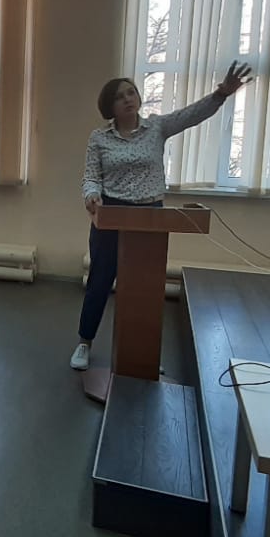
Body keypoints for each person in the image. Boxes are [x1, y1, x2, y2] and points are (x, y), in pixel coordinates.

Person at [70, 63, 256, 371]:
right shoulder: (99, 138)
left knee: (145, 286)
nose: (128, 99)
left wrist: (221, 94)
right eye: (120, 96)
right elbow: (91, 176)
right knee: (100, 281)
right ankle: (84, 342)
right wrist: (91, 195)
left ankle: (141, 352)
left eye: (131, 93)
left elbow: (190, 115)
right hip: (112, 214)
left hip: (150, 215)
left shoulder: (156, 127)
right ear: (109, 106)